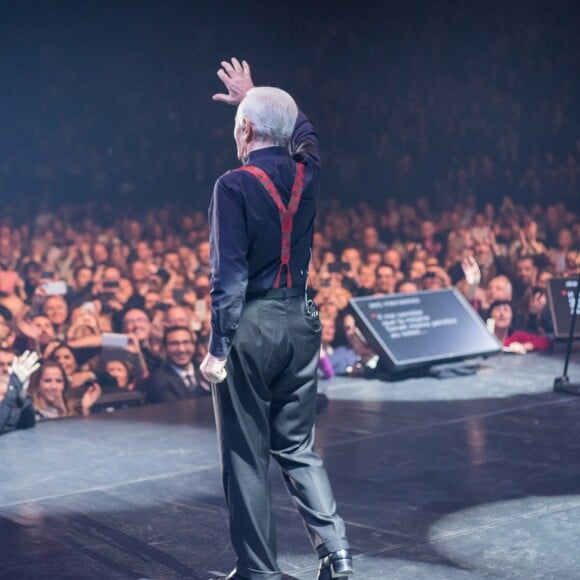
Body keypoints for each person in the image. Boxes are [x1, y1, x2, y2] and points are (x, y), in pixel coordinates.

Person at [200, 58, 352, 580]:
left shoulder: (232, 185)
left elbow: (229, 276)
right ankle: (337, 552)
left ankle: (259, 571)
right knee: (297, 446)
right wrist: (257, 92)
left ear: (244, 128)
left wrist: (218, 348)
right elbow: (305, 133)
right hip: (301, 320)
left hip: (251, 325)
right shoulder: (308, 173)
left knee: (246, 454)